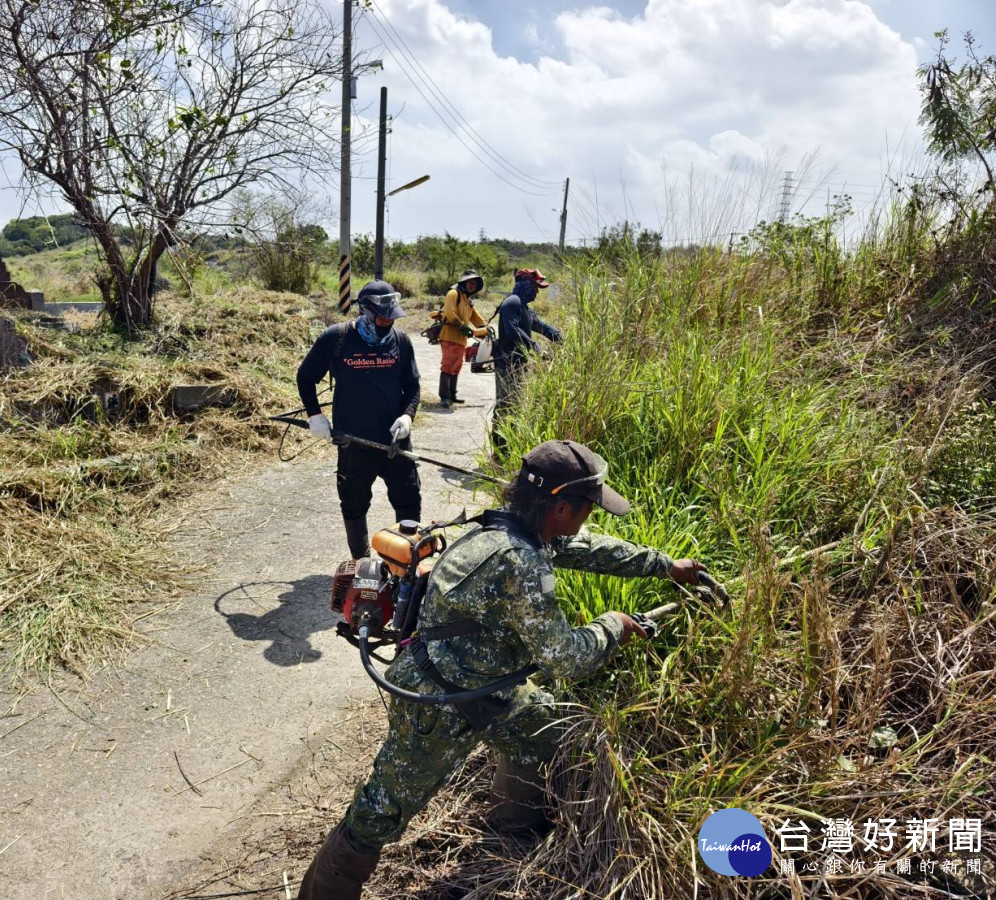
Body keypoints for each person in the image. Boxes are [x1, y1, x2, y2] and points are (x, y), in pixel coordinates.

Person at [297, 439, 710, 899]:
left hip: (487, 688)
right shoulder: (517, 561)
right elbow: (566, 657)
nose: (588, 518)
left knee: (554, 729)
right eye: (588, 508)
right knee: (377, 814)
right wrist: (614, 625)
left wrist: (664, 566)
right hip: (439, 704)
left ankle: (512, 832)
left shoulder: (510, 528)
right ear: (560, 508)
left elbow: (587, 549)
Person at [296, 280, 422, 560]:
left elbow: (412, 387)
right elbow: (305, 377)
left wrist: (407, 415)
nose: (387, 322)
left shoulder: (400, 342)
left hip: (394, 442)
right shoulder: (336, 338)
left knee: (409, 500)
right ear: (364, 311)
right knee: (353, 504)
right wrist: (315, 415)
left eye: (392, 317)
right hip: (353, 441)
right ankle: (360, 561)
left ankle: (403, 565)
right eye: (381, 317)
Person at [493, 268, 562, 452]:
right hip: (507, 365)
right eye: (534, 286)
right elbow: (511, 329)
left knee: (515, 407)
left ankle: (508, 448)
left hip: (519, 365)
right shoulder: (512, 302)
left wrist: (558, 336)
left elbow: (542, 327)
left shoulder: (524, 308)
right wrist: (533, 345)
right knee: (506, 407)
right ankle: (500, 452)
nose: (537, 291)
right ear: (524, 285)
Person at [436, 270, 489, 409]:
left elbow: (476, 319)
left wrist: (486, 328)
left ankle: (452, 394)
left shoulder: (468, 301)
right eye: (470, 282)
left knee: (456, 366)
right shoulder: (453, 294)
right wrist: (462, 326)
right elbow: (449, 313)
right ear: (464, 282)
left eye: (474, 284)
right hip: (449, 336)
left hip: (461, 339)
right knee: (448, 365)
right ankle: (444, 397)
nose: (472, 285)